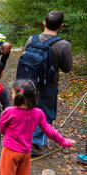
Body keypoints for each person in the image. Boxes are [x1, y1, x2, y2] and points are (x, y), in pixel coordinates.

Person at [0, 79, 75, 175]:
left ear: (17, 95)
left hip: (10, 151)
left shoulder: (9, 112)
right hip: (26, 151)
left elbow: (1, 126)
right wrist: (64, 141)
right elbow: (49, 130)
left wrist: (5, 133)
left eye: (12, 92)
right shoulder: (38, 113)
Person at [24, 11, 73, 156]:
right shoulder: (64, 45)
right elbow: (67, 68)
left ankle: (26, 139)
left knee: (28, 109)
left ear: (44, 23)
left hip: (27, 83)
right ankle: (36, 144)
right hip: (49, 86)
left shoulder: (31, 40)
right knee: (45, 114)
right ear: (61, 26)